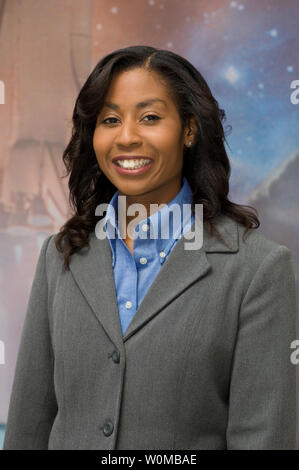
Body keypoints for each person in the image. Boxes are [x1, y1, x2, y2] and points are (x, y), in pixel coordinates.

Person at [3, 45, 297, 450]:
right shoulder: (61, 255)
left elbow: (263, 438)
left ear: (189, 129)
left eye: (150, 118)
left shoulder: (258, 269)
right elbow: (28, 426)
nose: (126, 137)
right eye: (110, 119)